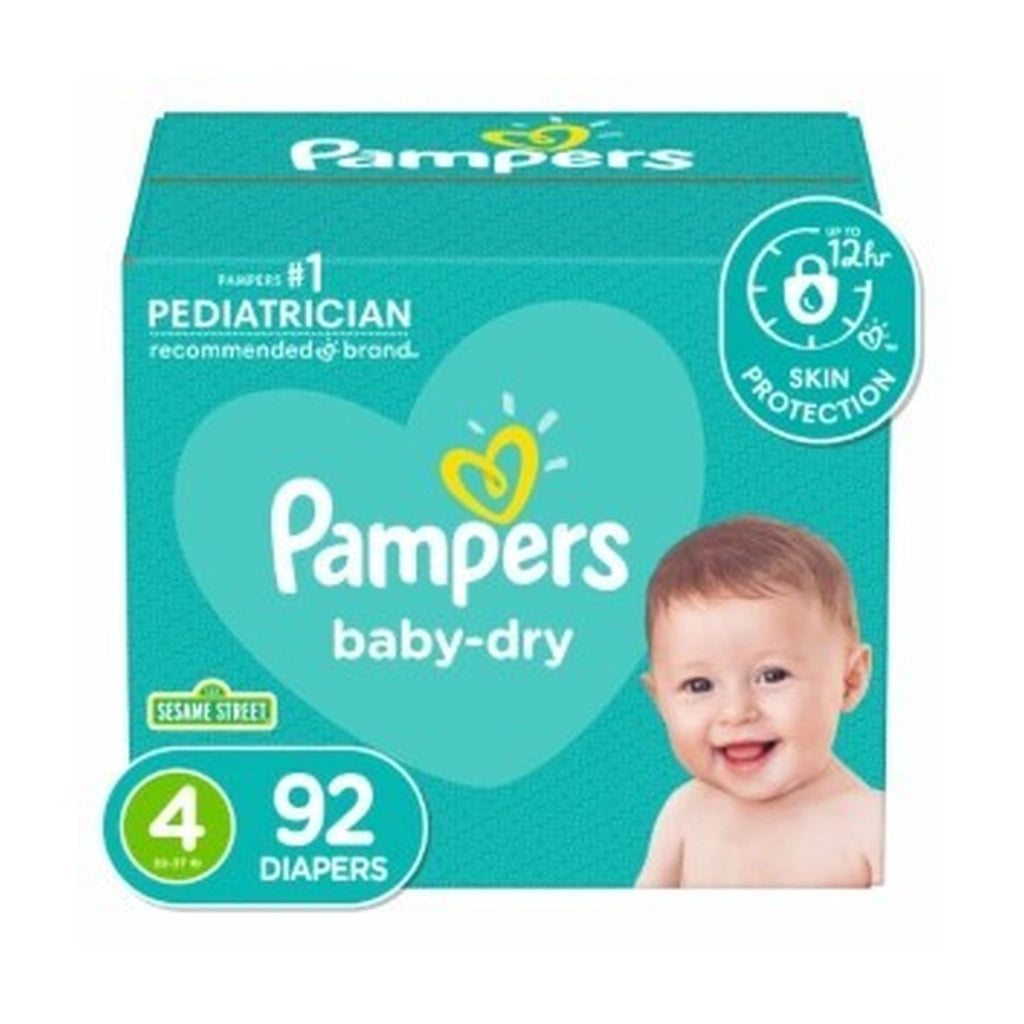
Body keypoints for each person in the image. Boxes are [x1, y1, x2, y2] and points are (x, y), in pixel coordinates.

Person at [636, 516, 882, 887]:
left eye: (772, 676)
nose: (736, 712)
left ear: (850, 680)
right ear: (661, 703)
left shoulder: (873, 827)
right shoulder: (685, 814)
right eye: (699, 685)